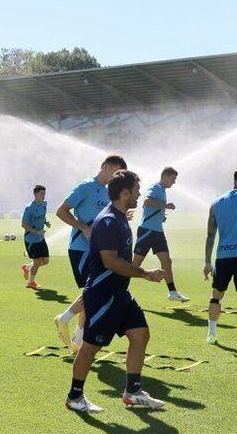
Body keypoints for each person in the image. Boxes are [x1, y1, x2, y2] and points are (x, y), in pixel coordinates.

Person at [64, 170, 166, 413]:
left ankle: (133, 392)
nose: (140, 195)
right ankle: (74, 397)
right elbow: (110, 262)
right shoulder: (109, 221)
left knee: (140, 335)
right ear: (124, 193)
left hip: (119, 293)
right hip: (103, 295)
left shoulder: (119, 217)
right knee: (90, 347)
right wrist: (145, 274)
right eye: (136, 191)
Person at [53, 154, 127, 351]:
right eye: (115, 171)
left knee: (92, 292)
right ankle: (64, 319)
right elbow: (61, 211)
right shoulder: (85, 186)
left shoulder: (108, 192)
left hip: (99, 250)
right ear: (105, 166)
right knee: (94, 292)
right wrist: (83, 228)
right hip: (81, 249)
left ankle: (78, 339)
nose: (116, 177)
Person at [202, 167, 237, 344]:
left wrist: (207, 261)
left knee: (216, 295)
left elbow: (210, 235)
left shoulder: (216, 202)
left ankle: (211, 333)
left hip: (223, 256)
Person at [133, 167, 187, 301]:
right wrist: (165, 206)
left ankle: (173, 292)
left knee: (167, 261)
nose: (174, 182)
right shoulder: (156, 187)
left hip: (157, 232)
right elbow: (146, 201)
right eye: (173, 179)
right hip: (147, 231)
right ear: (166, 176)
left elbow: (153, 206)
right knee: (136, 264)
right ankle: (117, 286)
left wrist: (161, 216)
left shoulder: (162, 190)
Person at [21, 185, 50, 289]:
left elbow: (42, 216)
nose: (44, 196)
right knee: (37, 262)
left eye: (44, 194)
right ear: (35, 194)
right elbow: (23, 224)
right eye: (42, 194)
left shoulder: (44, 204)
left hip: (40, 238)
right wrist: (37, 231)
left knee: (46, 261)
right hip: (31, 239)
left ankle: (27, 267)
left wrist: (46, 222)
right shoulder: (29, 208)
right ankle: (30, 282)